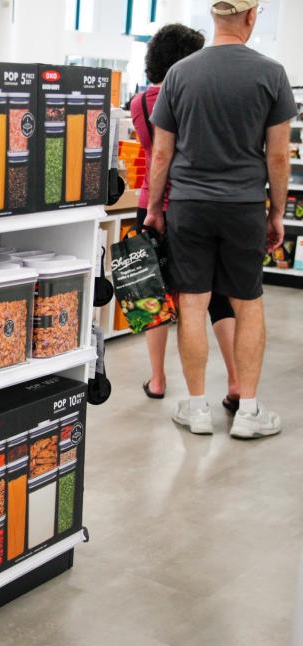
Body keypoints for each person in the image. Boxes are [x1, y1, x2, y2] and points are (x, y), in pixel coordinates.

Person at [145, 0, 295, 438]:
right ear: (251, 16)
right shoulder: (272, 74)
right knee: (248, 302)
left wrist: (156, 209)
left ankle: (195, 408)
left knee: (192, 302)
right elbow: (280, 155)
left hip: (189, 205)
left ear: (214, 18)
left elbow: (161, 153)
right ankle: (248, 412)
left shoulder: (179, 74)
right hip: (244, 206)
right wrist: (277, 213)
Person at [130, 23, 240, 411]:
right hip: (197, 202)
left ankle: (158, 380)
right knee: (218, 297)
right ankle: (236, 381)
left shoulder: (141, 104)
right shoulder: (200, 96)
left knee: (153, 296)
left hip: (152, 203)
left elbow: (156, 152)